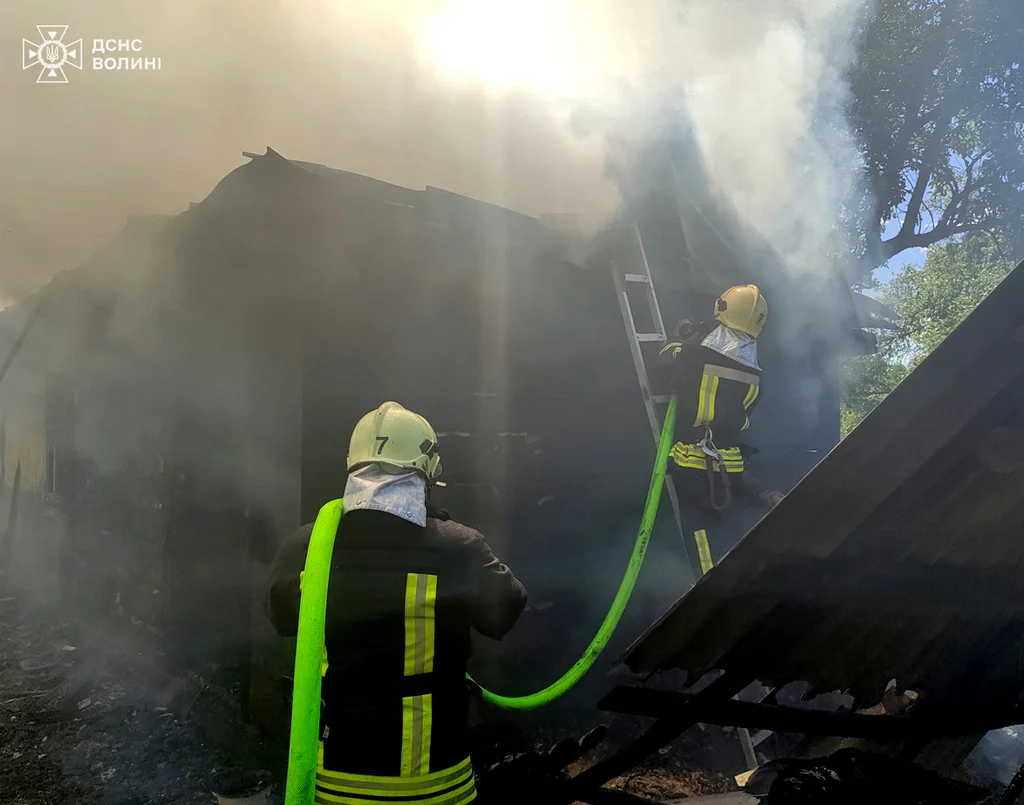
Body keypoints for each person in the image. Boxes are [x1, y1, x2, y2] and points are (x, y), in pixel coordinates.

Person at [265, 401, 527, 805]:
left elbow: (282, 618)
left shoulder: (307, 546)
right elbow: (505, 612)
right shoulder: (459, 547)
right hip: (439, 782)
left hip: (335, 779)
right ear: (428, 469)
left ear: (352, 465)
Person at [659, 285, 783, 580]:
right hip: (730, 464)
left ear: (722, 308)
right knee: (728, 531)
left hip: (693, 462)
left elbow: (667, 365)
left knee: (700, 535)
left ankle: (708, 589)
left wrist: (681, 340)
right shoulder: (756, 373)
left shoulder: (696, 355)